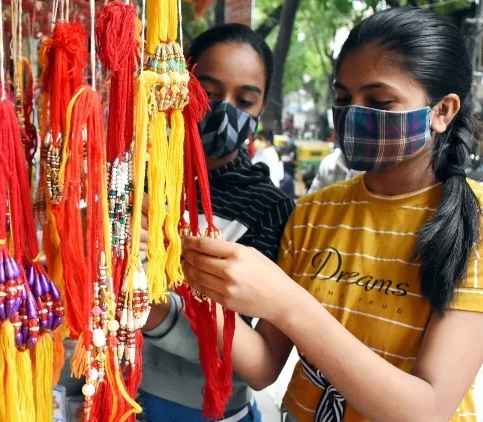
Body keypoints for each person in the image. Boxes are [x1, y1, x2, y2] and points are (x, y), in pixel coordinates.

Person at [181, 7, 483, 422]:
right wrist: (182, 271)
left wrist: (288, 303)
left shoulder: (476, 220)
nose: (353, 115)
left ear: (442, 111)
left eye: (378, 101)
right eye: (343, 99)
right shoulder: (313, 213)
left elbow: (426, 409)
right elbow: (265, 364)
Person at [137, 23, 295, 422]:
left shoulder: (267, 206)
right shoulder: (138, 177)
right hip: (117, 394)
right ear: (181, 81)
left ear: (261, 108)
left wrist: (160, 298)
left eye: (244, 100)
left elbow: (248, 353)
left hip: (205, 409)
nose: (223, 110)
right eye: (208, 93)